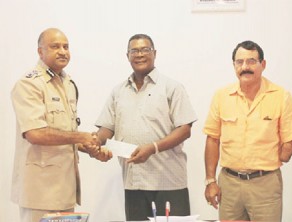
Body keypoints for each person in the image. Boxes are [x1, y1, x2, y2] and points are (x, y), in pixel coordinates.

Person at [10, 28, 112, 222]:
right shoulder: (29, 84)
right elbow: (35, 134)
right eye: (55, 46)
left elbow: (66, 135)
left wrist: (91, 149)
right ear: (40, 51)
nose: (63, 51)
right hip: (40, 192)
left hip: (66, 189)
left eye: (66, 46)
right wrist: (80, 136)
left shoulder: (67, 83)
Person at [95, 34, 197, 221]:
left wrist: (153, 148)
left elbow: (185, 129)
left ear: (155, 53)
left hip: (169, 183)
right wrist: (93, 144)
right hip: (134, 184)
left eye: (145, 49)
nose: (139, 54)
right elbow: (106, 129)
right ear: (127, 56)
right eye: (134, 50)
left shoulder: (172, 87)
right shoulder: (118, 91)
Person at [203, 40, 292, 221]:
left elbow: (289, 144)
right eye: (239, 62)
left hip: (265, 184)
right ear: (234, 66)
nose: (245, 67)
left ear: (263, 65)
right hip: (229, 184)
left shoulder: (281, 96)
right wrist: (210, 181)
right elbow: (212, 140)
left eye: (251, 61)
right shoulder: (221, 96)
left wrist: (266, 161)